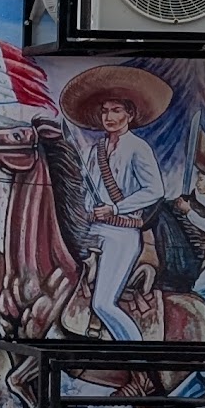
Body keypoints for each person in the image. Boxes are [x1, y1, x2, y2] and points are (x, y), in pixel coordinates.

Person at [63, 66, 174, 340]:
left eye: (115, 110)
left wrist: (115, 208)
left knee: (103, 304)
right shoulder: (94, 151)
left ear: (130, 115)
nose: (109, 117)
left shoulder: (138, 148)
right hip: (92, 230)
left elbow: (155, 190)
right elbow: (87, 192)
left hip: (121, 234)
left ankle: (134, 352)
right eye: (104, 111)